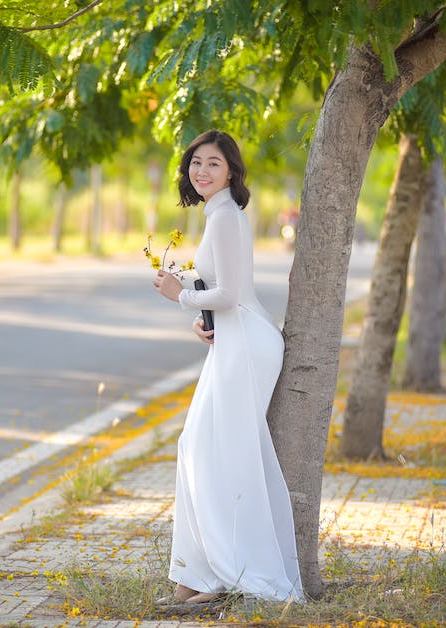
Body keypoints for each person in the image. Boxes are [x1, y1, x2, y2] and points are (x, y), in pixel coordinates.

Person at [152, 130, 303, 605]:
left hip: (250, 344)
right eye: (196, 162)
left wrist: (182, 297)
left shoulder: (226, 218)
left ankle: (229, 575)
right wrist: (201, 317)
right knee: (200, 449)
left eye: (213, 164)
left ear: (232, 172)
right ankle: (193, 580)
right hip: (235, 341)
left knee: (219, 456)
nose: (202, 171)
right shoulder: (219, 215)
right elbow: (221, 293)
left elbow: (233, 295)